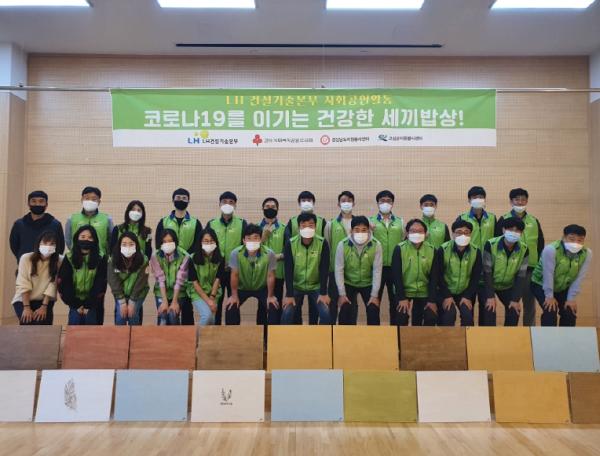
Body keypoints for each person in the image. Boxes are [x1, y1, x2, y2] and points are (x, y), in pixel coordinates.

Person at [495, 188, 544, 326]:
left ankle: (530, 331)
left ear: (527, 201)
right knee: (512, 303)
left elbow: (540, 244)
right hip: (510, 268)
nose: (520, 202)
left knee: (529, 304)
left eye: (523, 199)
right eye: (517, 199)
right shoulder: (503, 219)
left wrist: (539, 265)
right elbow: (497, 242)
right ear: (511, 201)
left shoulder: (534, 221)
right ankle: (511, 332)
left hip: (530, 268)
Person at [155, 188, 202, 325]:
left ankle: (187, 336)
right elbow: (158, 243)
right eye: (178, 197)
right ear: (173, 200)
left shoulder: (195, 222)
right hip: (167, 265)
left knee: (187, 308)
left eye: (184, 198)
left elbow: (198, 244)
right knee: (165, 313)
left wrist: (186, 257)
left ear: (188, 201)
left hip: (187, 266)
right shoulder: (164, 221)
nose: (181, 200)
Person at [531, 224, 591, 327]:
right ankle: (548, 337)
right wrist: (549, 296)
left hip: (562, 286)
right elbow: (548, 275)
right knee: (550, 310)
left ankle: (566, 337)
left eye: (580, 240)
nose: (576, 243)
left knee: (569, 311)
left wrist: (571, 298)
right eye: (571, 239)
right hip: (540, 284)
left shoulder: (587, 253)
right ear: (563, 237)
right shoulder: (551, 250)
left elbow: (579, 278)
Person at [456, 186, 496, 325]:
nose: (478, 199)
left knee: (488, 310)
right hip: (468, 268)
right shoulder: (462, 218)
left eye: (481, 197)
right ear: (469, 200)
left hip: (487, 269)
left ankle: (484, 337)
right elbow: (457, 240)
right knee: (468, 309)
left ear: (485, 199)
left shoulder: (492, 218)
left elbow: (497, 240)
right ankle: (469, 335)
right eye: (474, 197)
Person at [282, 213, 330, 325]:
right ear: (299, 227)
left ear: (315, 227)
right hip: (296, 286)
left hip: (316, 286)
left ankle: (321, 335)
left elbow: (324, 269)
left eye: (311, 225)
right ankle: (287, 336)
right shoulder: (290, 244)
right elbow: (288, 270)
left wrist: (323, 293)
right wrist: (289, 295)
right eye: (303, 225)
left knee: (326, 314)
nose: (307, 228)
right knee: (287, 313)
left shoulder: (322, 243)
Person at [207, 191, 247, 325]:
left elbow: (245, 247)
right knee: (215, 303)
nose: (227, 204)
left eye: (231, 202)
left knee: (233, 304)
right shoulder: (212, 224)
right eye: (224, 202)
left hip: (234, 272)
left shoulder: (242, 223)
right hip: (216, 272)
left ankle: (233, 332)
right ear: (219, 204)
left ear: (235, 205)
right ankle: (215, 332)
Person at [335, 216, 382, 325]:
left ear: (369, 230)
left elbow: (377, 271)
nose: (360, 233)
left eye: (364, 230)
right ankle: (343, 334)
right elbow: (339, 270)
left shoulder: (376, 245)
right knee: (345, 309)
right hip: (349, 282)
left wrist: (374, 295)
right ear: (351, 231)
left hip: (368, 282)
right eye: (357, 230)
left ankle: (374, 335)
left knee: (373, 308)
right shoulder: (342, 245)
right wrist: (342, 294)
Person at [226, 224, 278, 325]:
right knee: (231, 307)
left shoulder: (269, 253)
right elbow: (234, 275)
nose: (252, 241)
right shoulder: (235, 253)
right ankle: (233, 334)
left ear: (260, 239)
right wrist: (234, 296)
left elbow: (270, 276)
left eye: (255, 238)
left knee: (273, 307)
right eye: (249, 238)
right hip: (242, 287)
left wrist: (270, 296)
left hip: (262, 288)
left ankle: (268, 334)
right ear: (244, 240)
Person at [482, 217, 529, 326]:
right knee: (490, 308)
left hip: (508, 286)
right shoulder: (490, 244)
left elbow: (521, 276)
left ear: (521, 233)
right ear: (503, 230)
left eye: (517, 230)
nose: (514, 232)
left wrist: (515, 299)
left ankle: (508, 336)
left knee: (514, 311)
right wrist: (490, 296)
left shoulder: (524, 249)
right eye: (510, 229)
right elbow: (487, 271)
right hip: (489, 284)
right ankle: (489, 335)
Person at [391, 219, 439, 326]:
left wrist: (431, 300)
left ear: (425, 234)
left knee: (430, 316)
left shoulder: (432, 250)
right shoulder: (399, 249)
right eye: (413, 231)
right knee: (401, 317)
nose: (416, 234)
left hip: (424, 291)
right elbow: (396, 276)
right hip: (404, 290)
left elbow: (434, 277)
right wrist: (402, 298)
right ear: (407, 233)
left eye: (420, 231)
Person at [58, 225, 108, 325]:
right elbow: (65, 283)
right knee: (75, 324)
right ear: (77, 238)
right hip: (74, 302)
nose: (86, 240)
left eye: (90, 237)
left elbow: (100, 283)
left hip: (93, 302)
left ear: (95, 240)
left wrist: (88, 305)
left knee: (91, 326)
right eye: (83, 237)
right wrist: (76, 305)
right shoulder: (69, 257)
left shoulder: (101, 258)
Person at [436, 219, 483, 326]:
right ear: (453, 234)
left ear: (470, 234)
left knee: (468, 317)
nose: (463, 235)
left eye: (466, 232)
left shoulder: (476, 251)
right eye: (459, 232)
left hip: (464, 291)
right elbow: (439, 275)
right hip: (445, 290)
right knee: (449, 315)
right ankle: (447, 337)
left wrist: (467, 296)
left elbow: (475, 277)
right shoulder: (443, 249)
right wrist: (447, 295)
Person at [12, 231, 63, 325]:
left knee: (42, 324)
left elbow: (53, 283)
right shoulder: (26, 258)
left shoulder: (59, 260)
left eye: (52, 244)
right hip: (23, 300)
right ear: (38, 244)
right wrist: (26, 307)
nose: (48, 246)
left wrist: (44, 306)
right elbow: (23, 283)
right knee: (28, 323)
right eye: (45, 243)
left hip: (45, 300)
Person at [370, 190, 404, 325]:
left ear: (392, 203)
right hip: (377, 267)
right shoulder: (370, 221)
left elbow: (404, 242)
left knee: (395, 301)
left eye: (388, 201)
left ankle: (395, 330)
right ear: (377, 203)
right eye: (382, 201)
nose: (385, 203)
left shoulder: (400, 222)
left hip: (395, 268)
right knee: (374, 300)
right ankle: (375, 330)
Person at [10, 190, 65, 264]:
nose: (37, 204)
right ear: (28, 204)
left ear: (46, 205)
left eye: (41, 201)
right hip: (25, 266)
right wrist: (23, 259)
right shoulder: (19, 224)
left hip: (49, 267)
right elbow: (14, 246)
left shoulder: (55, 225)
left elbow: (60, 247)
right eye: (33, 201)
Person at [325, 191, 355, 324]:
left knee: (350, 304)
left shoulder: (359, 224)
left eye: (349, 200)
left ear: (354, 203)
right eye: (343, 201)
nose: (346, 203)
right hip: (334, 270)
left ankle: (348, 331)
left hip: (353, 271)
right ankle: (330, 330)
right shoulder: (331, 224)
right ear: (338, 204)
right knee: (332, 303)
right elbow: (327, 247)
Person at [108, 231, 149, 326]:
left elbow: (141, 282)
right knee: (120, 317)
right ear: (119, 246)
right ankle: (120, 335)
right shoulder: (113, 260)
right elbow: (113, 281)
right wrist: (122, 301)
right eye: (124, 244)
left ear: (136, 245)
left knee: (133, 315)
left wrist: (132, 301)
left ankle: (136, 335)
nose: (128, 247)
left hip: (138, 293)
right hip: (120, 293)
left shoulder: (143, 259)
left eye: (131, 244)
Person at [150, 229, 190, 325]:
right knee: (163, 314)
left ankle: (176, 334)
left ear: (175, 242)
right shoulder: (155, 256)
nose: (167, 244)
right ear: (160, 243)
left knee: (172, 315)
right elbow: (160, 278)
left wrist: (174, 301)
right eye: (164, 241)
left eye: (170, 241)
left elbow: (180, 279)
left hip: (179, 293)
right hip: (161, 291)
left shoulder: (185, 256)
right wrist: (164, 301)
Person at [187, 228, 225, 326]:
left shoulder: (221, 257)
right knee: (206, 316)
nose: (209, 243)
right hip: (197, 292)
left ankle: (208, 337)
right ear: (200, 242)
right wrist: (208, 301)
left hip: (214, 292)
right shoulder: (192, 258)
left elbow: (218, 279)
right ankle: (196, 335)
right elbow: (195, 283)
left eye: (212, 241)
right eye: (206, 241)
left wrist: (212, 297)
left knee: (212, 319)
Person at [65, 186, 113, 257]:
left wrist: (106, 255)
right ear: (82, 200)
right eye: (87, 198)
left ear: (99, 202)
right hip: (77, 258)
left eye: (94, 199)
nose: (90, 201)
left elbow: (111, 240)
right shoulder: (72, 219)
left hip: (100, 258)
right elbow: (68, 240)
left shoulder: (107, 219)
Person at [259, 197, 286, 323]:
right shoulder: (255, 228)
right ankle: (261, 333)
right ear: (262, 209)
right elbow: (250, 249)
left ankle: (276, 333)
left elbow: (288, 250)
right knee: (262, 307)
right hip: (260, 274)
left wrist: (276, 257)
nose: (270, 209)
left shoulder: (284, 228)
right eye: (267, 207)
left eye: (273, 207)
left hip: (278, 273)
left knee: (276, 305)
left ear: (277, 209)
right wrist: (263, 237)